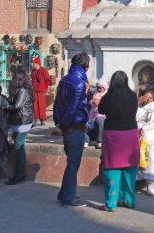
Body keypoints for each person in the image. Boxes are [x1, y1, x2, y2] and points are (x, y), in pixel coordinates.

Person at [98, 71, 140, 211]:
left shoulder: (108, 97)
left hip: (113, 135)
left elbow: (101, 110)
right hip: (130, 135)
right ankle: (129, 200)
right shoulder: (133, 96)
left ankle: (111, 203)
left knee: (112, 167)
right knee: (130, 168)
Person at [53, 53, 90, 207]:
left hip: (67, 126)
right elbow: (74, 108)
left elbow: (57, 103)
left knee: (71, 162)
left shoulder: (64, 80)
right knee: (73, 163)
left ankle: (64, 193)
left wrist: (58, 122)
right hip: (75, 126)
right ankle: (69, 196)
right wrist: (65, 124)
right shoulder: (80, 83)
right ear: (86, 67)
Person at [4, 69, 33, 185]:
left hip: (22, 121)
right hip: (21, 120)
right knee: (19, 146)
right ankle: (19, 173)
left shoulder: (22, 90)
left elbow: (17, 106)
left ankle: (19, 174)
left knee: (18, 148)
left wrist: (6, 107)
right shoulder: (22, 90)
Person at [87, 77, 108, 149]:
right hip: (93, 113)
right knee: (89, 125)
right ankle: (88, 139)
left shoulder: (106, 95)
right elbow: (90, 102)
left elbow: (106, 105)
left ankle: (100, 141)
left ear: (104, 88)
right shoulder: (95, 93)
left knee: (100, 122)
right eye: (98, 88)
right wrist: (93, 102)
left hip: (102, 114)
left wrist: (100, 103)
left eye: (100, 88)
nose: (99, 89)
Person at [31, 56, 51, 126]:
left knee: (41, 106)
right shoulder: (33, 71)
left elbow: (48, 80)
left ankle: (42, 119)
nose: (32, 64)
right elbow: (32, 80)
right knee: (35, 106)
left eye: (33, 63)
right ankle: (35, 118)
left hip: (41, 91)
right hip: (34, 91)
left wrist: (45, 88)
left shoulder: (44, 70)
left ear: (37, 63)